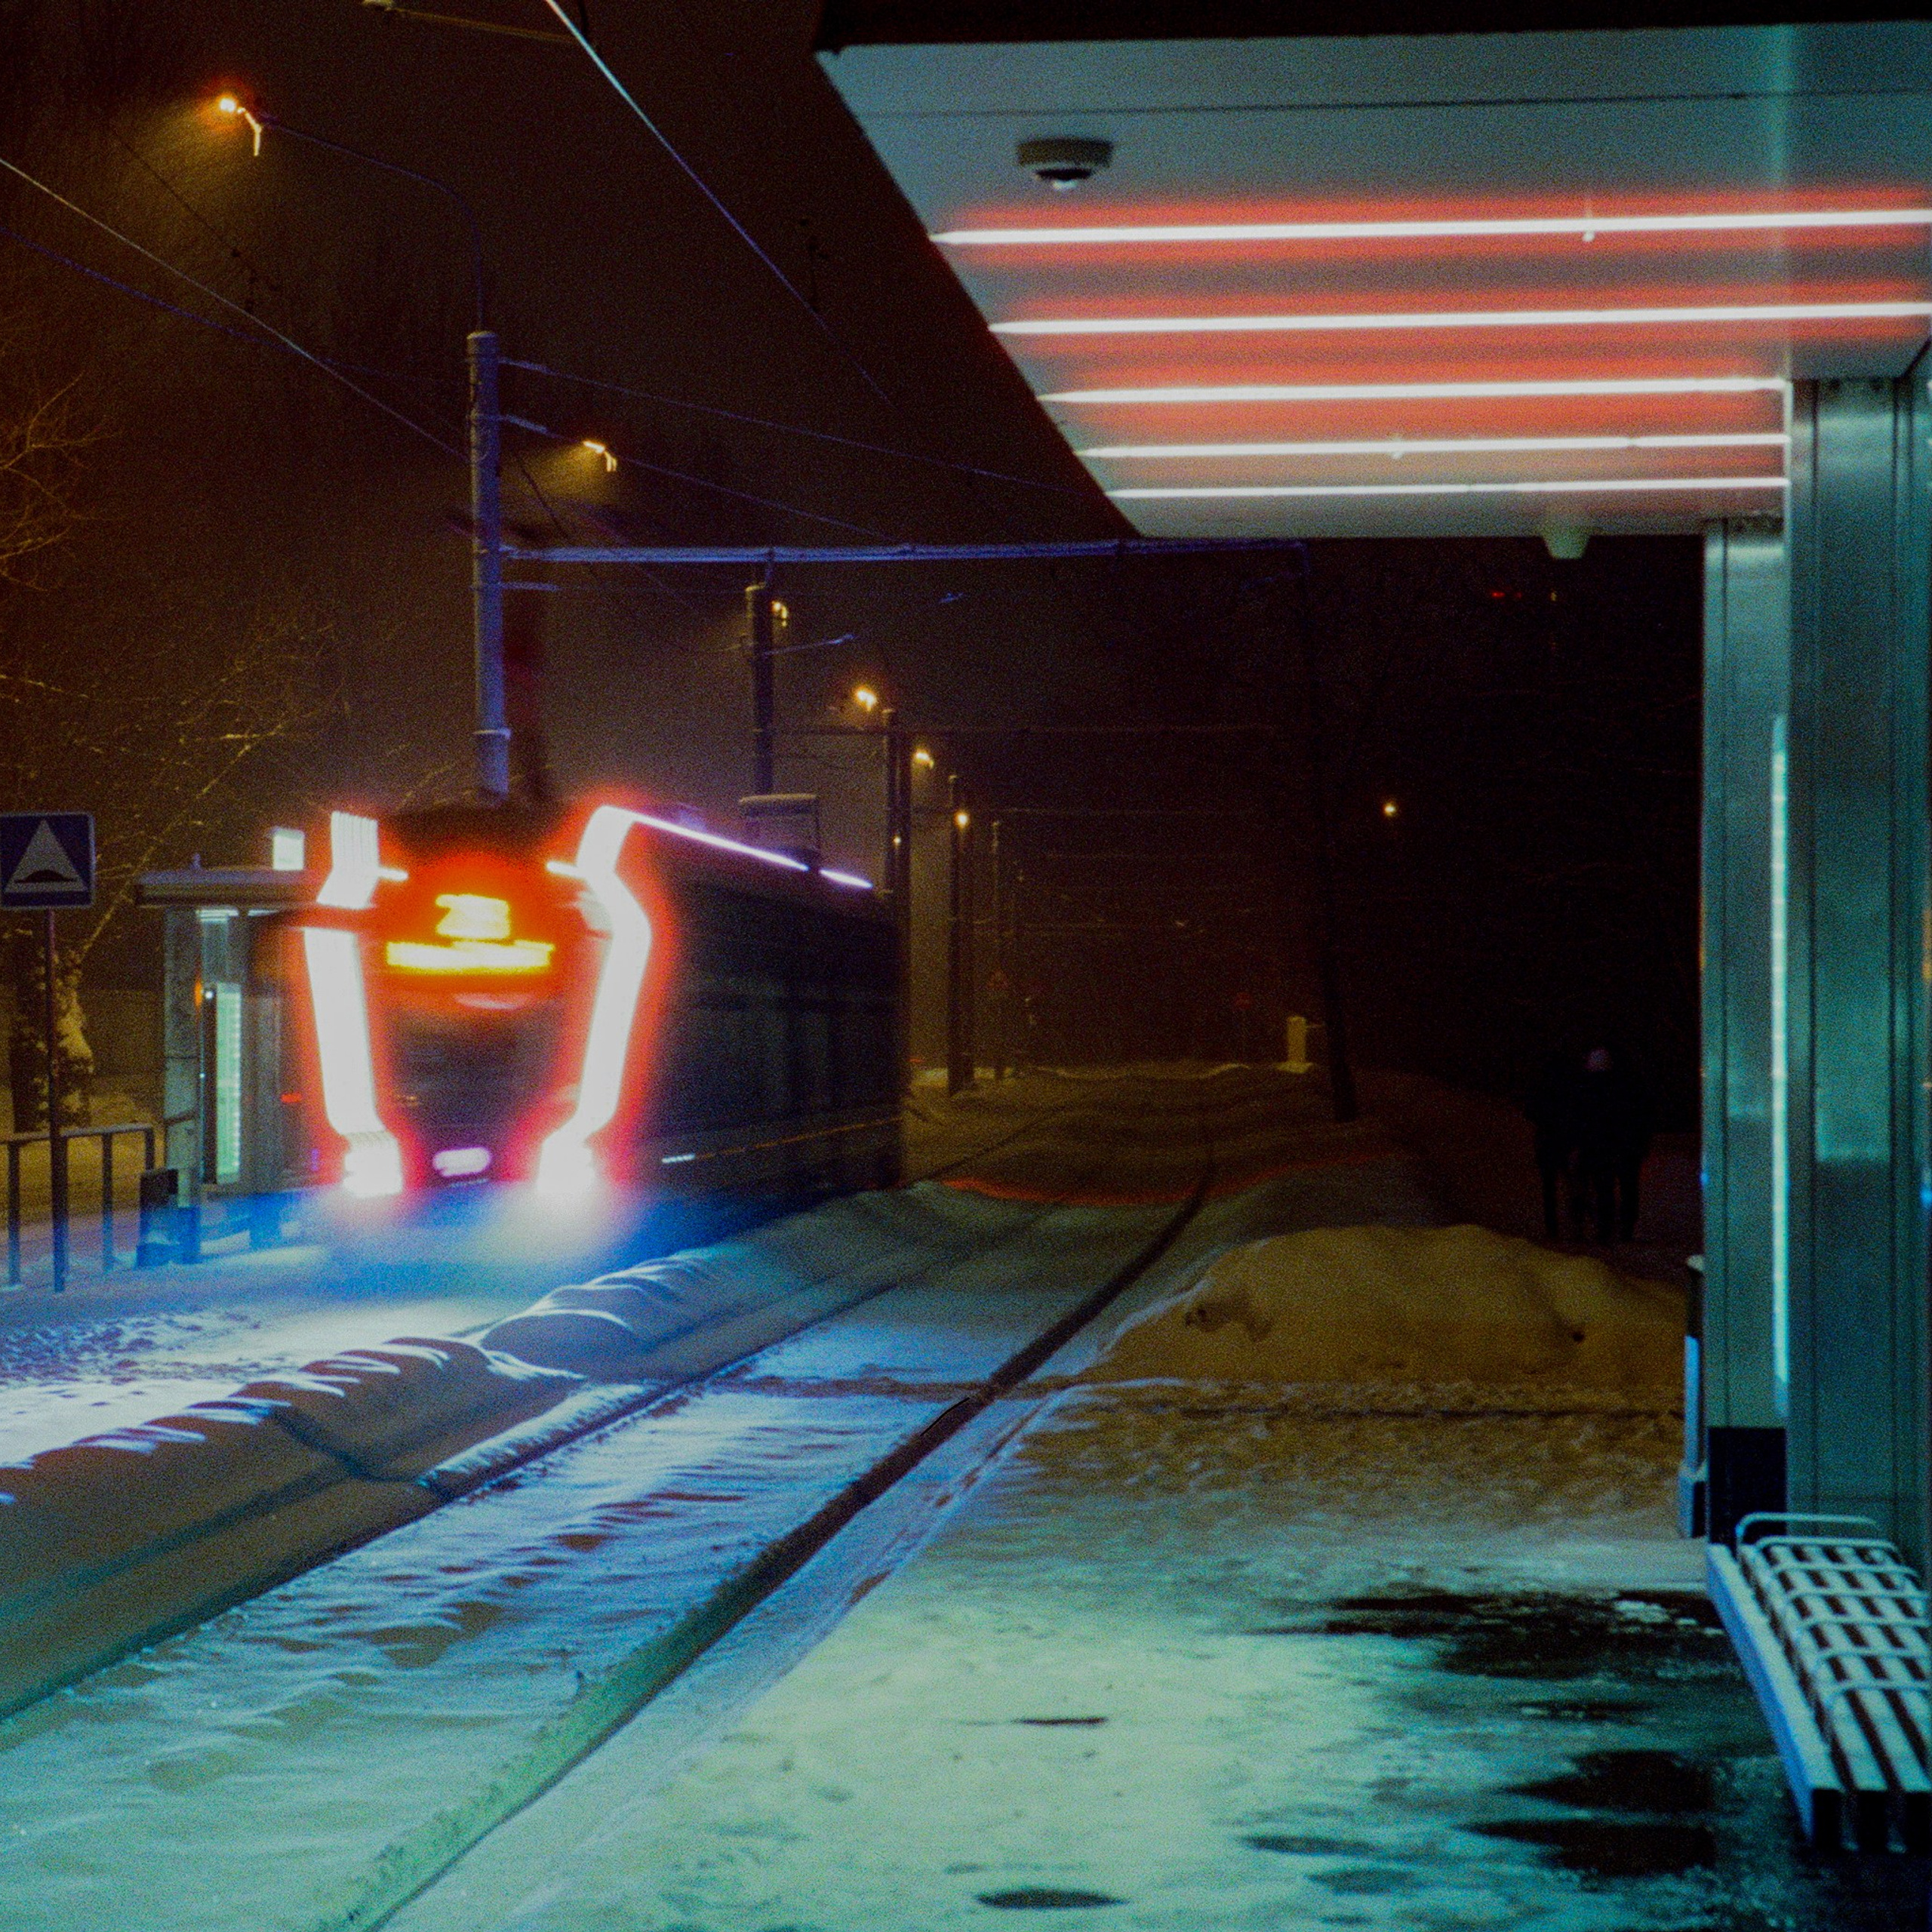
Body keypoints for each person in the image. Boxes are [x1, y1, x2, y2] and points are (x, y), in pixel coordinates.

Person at [1571, 1044, 1654, 1243]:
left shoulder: (1586, 1088)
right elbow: (1638, 1116)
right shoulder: (1625, 1086)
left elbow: (1581, 1118)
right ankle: (1624, 1230)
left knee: (1603, 1189)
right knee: (1626, 1189)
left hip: (1599, 1146)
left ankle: (1604, 1230)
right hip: (1622, 1145)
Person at [1524, 1051, 1579, 1241]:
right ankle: (1576, 1226)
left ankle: (1553, 1228)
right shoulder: (1570, 1087)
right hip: (1565, 1140)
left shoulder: (1542, 1087)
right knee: (1572, 1183)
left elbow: (1530, 1111)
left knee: (1550, 1187)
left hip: (1547, 1141)